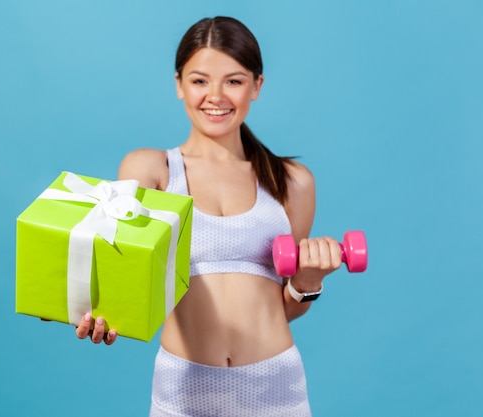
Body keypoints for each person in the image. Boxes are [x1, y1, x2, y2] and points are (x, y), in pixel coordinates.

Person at [75, 16, 342, 417]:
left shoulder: (292, 182)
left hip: (276, 389)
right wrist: (96, 311)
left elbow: (285, 305)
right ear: (179, 84)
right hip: (183, 391)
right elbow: (123, 277)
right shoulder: (151, 172)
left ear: (257, 86)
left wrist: (308, 282)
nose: (215, 96)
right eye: (200, 81)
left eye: (233, 81)